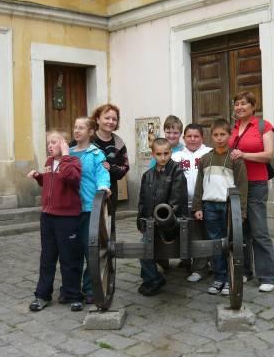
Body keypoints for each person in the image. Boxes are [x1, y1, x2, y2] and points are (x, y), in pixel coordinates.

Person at [229, 91, 274, 292]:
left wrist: (244, 154)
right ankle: (245, 272)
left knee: (259, 231)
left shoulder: (263, 126)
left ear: (252, 106)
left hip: (256, 183)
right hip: (236, 184)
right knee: (242, 232)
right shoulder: (233, 128)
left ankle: (269, 276)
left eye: (243, 103)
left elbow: (268, 155)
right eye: (236, 104)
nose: (239, 107)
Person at [27, 130, 83, 312]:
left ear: (64, 144)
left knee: (69, 259)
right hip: (48, 217)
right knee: (47, 258)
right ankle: (42, 295)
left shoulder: (73, 162)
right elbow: (49, 183)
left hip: (67, 218)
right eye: (48, 143)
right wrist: (38, 177)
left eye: (53, 142)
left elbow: (72, 178)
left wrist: (66, 156)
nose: (49, 146)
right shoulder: (49, 162)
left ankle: (73, 295)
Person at [192, 119, 248, 295]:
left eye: (223, 134)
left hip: (229, 207)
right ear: (211, 136)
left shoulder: (235, 159)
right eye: (216, 135)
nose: (219, 138)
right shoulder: (205, 159)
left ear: (230, 136)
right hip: (210, 207)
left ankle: (231, 278)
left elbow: (242, 186)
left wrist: (242, 212)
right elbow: (199, 185)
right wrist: (198, 206)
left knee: (231, 243)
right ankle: (219, 278)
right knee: (216, 244)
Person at [137, 138, 188, 296]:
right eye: (159, 154)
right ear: (153, 154)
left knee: (147, 246)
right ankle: (153, 278)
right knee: (143, 248)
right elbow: (142, 200)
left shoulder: (177, 172)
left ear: (171, 152)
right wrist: (141, 220)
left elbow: (177, 200)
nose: (163, 157)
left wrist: (164, 219)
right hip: (151, 223)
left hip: (171, 224)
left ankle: (151, 279)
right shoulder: (147, 175)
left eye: (166, 153)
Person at [69, 117, 111, 305]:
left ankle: (89, 288)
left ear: (90, 132)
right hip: (68, 209)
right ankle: (70, 289)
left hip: (88, 208)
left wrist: (103, 187)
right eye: (75, 127)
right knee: (71, 251)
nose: (77, 131)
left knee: (89, 249)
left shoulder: (96, 154)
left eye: (81, 128)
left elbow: (102, 174)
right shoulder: (67, 153)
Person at [172, 123, 211, 282]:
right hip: (183, 204)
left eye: (196, 136)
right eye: (189, 136)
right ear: (184, 138)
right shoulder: (177, 157)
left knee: (200, 235)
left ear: (202, 137)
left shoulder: (209, 153)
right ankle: (188, 261)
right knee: (186, 235)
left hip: (204, 203)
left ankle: (201, 269)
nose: (193, 139)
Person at [91, 104, 129, 235]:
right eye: (107, 118)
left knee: (108, 225)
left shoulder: (119, 143)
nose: (111, 122)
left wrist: (111, 168)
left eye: (114, 119)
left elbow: (124, 167)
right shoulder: (88, 138)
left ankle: (109, 253)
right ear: (97, 119)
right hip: (88, 188)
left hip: (110, 191)